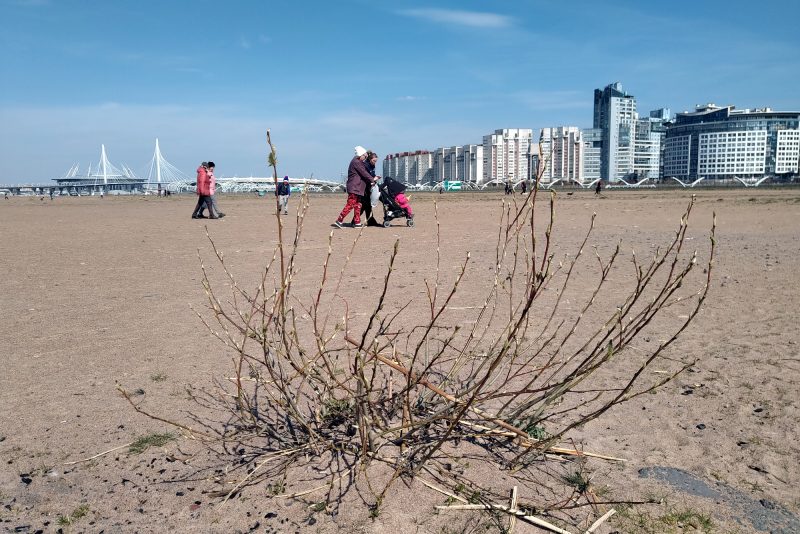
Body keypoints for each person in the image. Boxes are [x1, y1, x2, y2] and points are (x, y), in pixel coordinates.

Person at [334, 146, 377, 228]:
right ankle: (339, 220)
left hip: (357, 188)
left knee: (358, 204)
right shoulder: (356, 162)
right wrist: (372, 180)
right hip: (354, 187)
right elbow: (364, 173)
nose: (365, 158)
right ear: (360, 155)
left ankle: (357, 222)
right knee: (350, 204)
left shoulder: (357, 162)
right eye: (364, 156)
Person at [361, 151, 382, 227]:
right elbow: (365, 176)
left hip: (370, 187)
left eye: (376, 161)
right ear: (370, 159)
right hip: (364, 187)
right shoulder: (365, 165)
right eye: (374, 161)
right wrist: (374, 179)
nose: (375, 162)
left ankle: (370, 221)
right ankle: (356, 221)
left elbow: (372, 175)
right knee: (365, 205)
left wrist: (376, 177)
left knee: (366, 205)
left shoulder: (372, 166)